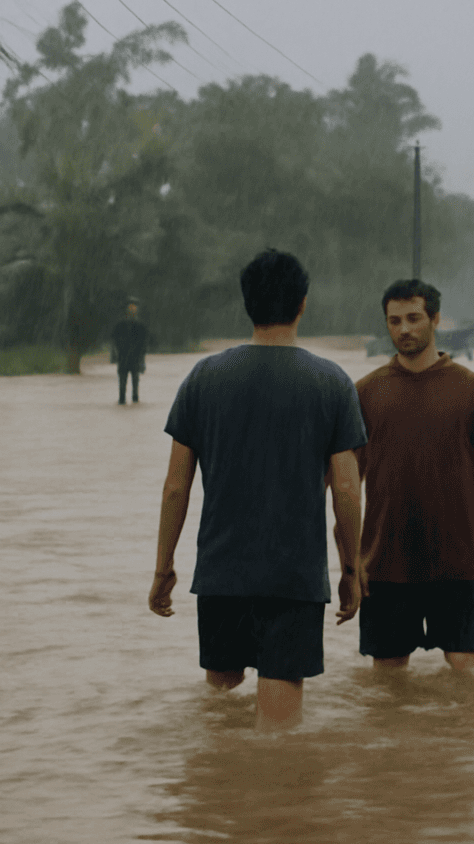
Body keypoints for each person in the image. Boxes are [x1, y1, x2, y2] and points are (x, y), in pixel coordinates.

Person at [148, 249, 366, 729]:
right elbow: (347, 491)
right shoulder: (331, 384)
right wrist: (352, 566)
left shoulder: (204, 378)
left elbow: (174, 489)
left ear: (246, 304)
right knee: (279, 737)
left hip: (222, 575)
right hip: (294, 580)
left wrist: (164, 567)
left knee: (221, 718)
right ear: (302, 306)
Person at [354, 279, 474, 673]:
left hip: (462, 564)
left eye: (414, 318)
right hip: (385, 565)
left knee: (466, 682)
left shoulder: (471, 389)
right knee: (386, 689)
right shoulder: (364, 393)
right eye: (394, 321)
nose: (404, 329)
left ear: (435, 319)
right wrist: (349, 558)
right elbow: (345, 482)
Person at [110, 299, 149, 405]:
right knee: (122, 382)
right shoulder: (120, 325)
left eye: (134, 307)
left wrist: (142, 360)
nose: (132, 309)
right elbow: (113, 341)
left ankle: (135, 399)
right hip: (123, 357)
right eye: (130, 307)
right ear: (127, 309)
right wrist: (114, 355)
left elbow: (144, 344)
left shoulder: (140, 326)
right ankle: (122, 399)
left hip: (135, 358)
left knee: (135, 382)